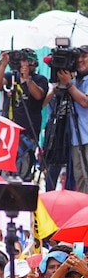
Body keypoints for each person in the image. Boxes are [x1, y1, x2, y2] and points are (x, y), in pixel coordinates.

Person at [0, 49, 48, 180]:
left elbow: (38, 95)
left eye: (26, 61)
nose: (22, 64)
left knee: (22, 169)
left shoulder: (40, 79)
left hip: (28, 132)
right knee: (4, 168)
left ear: (33, 64)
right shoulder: (11, 76)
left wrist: (27, 79)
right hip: (9, 131)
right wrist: (3, 65)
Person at [54, 47, 88, 192]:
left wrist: (68, 84)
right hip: (76, 137)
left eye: (84, 56)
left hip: (86, 137)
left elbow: (85, 102)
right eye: (77, 57)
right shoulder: (76, 80)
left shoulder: (74, 82)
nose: (80, 60)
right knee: (79, 177)